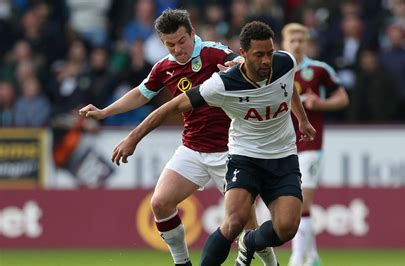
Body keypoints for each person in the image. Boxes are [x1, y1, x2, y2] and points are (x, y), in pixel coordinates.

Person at [79, 9, 278, 266]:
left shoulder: (212, 52)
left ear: (192, 34)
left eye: (182, 41)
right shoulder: (164, 67)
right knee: (161, 203)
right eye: (170, 44)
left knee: (247, 225)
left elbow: (241, 62)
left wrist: (239, 64)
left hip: (230, 152)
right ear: (163, 43)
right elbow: (141, 94)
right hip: (192, 148)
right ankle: (182, 263)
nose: (178, 49)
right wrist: (105, 111)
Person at [110, 21, 316, 266]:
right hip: (244, 157)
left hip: (283, 157)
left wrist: (302, 119)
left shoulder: (285, 63)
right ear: (244, 55)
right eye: (259, 55)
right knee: (233, 223)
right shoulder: (222, 84)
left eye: (269, 54)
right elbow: (171, 106)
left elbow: (288, 84)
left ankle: (250, 242)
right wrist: (133, 138)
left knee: (287, 228)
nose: (266, 61)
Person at [281, 23, 349, 266]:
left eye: (301, 40)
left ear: (307, 42)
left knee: (303, 201)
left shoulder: (319, 70)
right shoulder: (277, 70)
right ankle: (313, 256)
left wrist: (320, 104)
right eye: (293, 40)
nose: (297, 44)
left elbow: (342, 98)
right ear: (284, 43)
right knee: (289, 202)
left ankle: (297, 257)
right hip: (281, 146)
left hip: (311, 144)